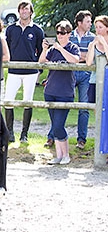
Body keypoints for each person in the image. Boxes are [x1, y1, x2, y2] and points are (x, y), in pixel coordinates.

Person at [39, 20, 80, 165]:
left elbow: (75, 60)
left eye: (62, 33)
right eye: (58, 33)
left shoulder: (73, 47)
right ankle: (59, 155)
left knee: (58, 125)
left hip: (65, 92)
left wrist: (61, 49)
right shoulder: (52, 50)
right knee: (54, 125)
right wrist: (44, 49)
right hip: (50, 91)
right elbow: (41, 61)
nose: (60, 36)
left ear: (69, 34)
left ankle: (66, 154)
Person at [4, 0, 44, 143]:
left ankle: (24, 134)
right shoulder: (11, 29)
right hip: (13, 71)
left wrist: (39, 70)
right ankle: (9, 132)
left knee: (28, 101)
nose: (24, 12)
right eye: (21, 9)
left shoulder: (37, 30)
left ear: (31, 12)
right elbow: (6, 48)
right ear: (18, 11)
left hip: (30, 72)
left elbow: (41, 51)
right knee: (8, 101)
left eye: (26, 9)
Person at [66, 10, 95, 150]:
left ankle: (81, 139)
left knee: (84, 107)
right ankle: (53, 136)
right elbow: (67, 54)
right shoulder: (68, 36)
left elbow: (90, 57)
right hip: (69, 74)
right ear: (79, 23)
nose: (90, 24)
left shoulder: (93, 38)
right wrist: (80, 56)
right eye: (88, 21)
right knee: (62, 104)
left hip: (85, 75)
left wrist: (77, 56)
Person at [86, 16, 108, 104]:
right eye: (96, 27)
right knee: (95, 106)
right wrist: (92, 46)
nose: (98, 30)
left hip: (106, 79)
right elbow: (88, 63)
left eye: (101, 27)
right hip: (95, 80)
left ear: (107, 28)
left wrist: (104, 44)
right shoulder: (92, 44)